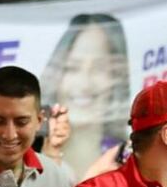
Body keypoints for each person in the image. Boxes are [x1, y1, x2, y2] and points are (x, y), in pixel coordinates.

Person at [40, 14, 131, 177]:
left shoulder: (130, 161)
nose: (84, 84)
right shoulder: (25, 155)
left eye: (100, 68)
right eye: (72, 68)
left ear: (118, 77)